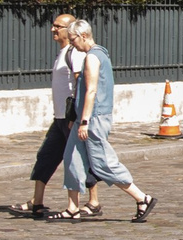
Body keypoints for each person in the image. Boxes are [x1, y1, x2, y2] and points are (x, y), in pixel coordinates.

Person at [60, 20, 159, 222]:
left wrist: (85, 122)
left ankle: (142, 198)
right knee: (72, 158)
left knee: (103, 163)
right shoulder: (98, 54)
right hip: (84, 117)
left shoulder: (93, 58)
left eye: (73, 40)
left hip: (93, 118)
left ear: (84, 36)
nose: (72, 45)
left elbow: (92, 90)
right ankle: (72, 207)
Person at [11, 12, 81, 219]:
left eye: (57, 26)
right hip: (58, 117)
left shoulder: (74, 53)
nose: (53, 29)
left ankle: (92, 202)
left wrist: (75, 117)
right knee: (46, 157)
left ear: (69, 30)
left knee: (80, 160)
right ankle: (37, 202)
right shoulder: (62, 53)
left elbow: (80, 84)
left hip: (69, 118)